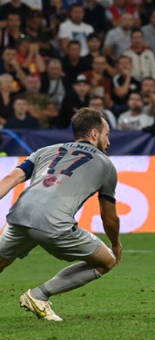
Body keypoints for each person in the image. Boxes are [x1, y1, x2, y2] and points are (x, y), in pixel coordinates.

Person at [0, 109, 122, 322]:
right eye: (106, 134)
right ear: (94, 134)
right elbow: (109, 218)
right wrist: (116, 244)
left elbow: (12, 177)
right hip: (55, 223)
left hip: (19, 215)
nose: (108, 141)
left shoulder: (45, 151)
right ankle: (38, 296)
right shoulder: (106, 165)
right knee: (106, 262)